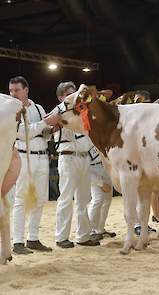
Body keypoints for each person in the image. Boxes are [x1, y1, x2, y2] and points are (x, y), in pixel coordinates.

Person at [9, 76, 58, 255]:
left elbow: (43, 134)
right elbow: (22, 133)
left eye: (16, 90)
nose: (13, 94)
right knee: (21, 199)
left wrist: (51, 130)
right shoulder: (11, 110)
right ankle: (18, 242)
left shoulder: (38, 108)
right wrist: (46, 123)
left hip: (42, 156)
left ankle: (33, 238)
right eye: (11, 90)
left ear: (26, 90)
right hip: (23, 157)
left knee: (40, 198)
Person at [53, 81, 100, 248]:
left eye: (74, 93)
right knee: (66, 198)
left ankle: (83, 235)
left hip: (84, 157)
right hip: (68, 157)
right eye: (68, 94)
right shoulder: (58, 110)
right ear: (61, 97)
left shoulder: (83, 111)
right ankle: (61, 237)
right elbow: (50, 124)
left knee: (84, 198)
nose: (73, 97)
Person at [88, 144, 116, 240]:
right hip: (92, 169)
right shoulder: (84, 140)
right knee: (98, 199)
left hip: (106, 168)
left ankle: (100, 229)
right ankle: (90, 230)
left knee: (107, 199)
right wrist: (100, 183)